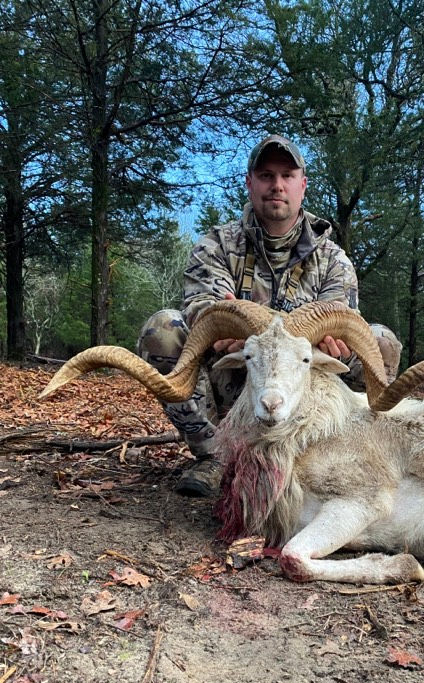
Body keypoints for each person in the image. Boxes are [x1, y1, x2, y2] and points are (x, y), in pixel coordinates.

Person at [138, 134, 401, 496]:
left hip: (302, 392)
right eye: (265, 175)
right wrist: (217, 324)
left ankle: (333, 453)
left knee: (380, 341)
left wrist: (334, 340)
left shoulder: (333, 260)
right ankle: (216, 457)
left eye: (287, 175)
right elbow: (200, 306)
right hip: (236, 380)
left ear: (302, 186)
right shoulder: (216, 245)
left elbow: (343, 320)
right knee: (164, 329)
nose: (276, 185)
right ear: (249, 183)